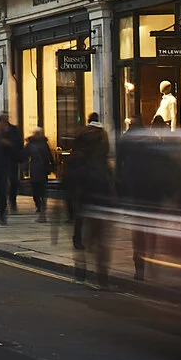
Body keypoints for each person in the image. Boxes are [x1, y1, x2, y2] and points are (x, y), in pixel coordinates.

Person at [65, 113, 113, 286]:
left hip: (83, 198)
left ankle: (81, 270)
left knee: (80, 237)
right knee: (100, 238)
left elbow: (69, 180)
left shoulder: (78, 154)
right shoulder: (102, 154)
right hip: (102, 195)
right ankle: (102, 276)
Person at [23, 128, 55, 222]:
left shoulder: (33, 144)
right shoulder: (42, 144)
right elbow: (50, 157)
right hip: (40, 169)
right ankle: (40, 205)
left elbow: (25, 156)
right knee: (39, 188)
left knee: (37, 188)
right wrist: (52, 166)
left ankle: (40, 205)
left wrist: (25, 169)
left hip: (37, 169)